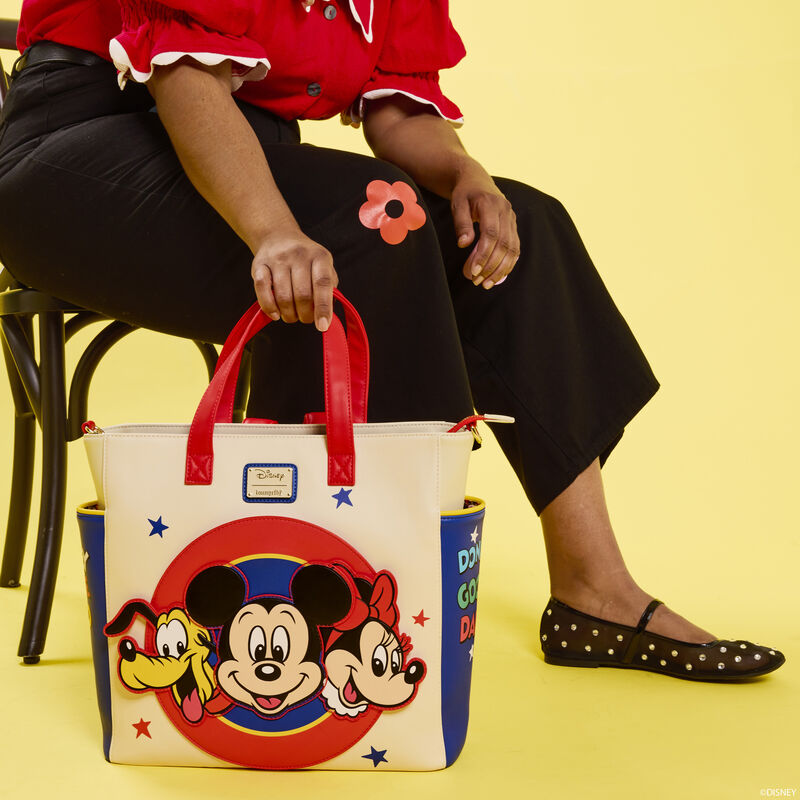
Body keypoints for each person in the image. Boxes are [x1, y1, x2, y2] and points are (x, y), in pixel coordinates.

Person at [0, 0, 784, 680]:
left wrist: (468, 175)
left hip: (240, 151)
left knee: (521, 228)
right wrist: (272, 230)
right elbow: (185, 75)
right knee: (382, 226)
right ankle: (339, 588)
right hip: (73, 157)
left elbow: (398, 113)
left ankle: (594, 591)